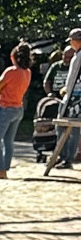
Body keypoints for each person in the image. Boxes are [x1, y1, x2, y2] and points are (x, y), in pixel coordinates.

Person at [0, 43, 33, 178]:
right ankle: (5, 168)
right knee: (8, 142)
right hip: (18, 108)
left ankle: (1, 171)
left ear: (13, 57)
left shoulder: (10, 71)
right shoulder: (27, 72)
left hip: (6, 108)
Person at [46, 29, 81, 174]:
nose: (71, 43)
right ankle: (65, 157)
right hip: (74, 94)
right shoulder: (77, 55)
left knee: (63, 125)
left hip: (74, 96)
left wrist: (67, 91)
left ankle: (65, 157)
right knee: (73, 128)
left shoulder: (78, 56)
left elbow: (73, 78)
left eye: (72, 40)